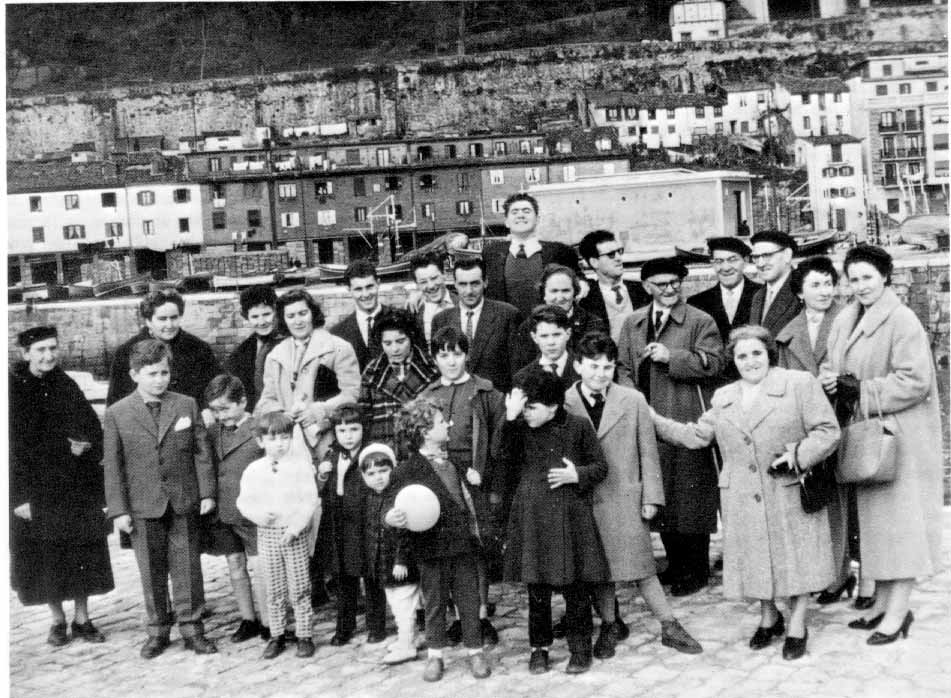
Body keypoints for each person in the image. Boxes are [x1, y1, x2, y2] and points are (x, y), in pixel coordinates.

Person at [652, 324, 840, 661]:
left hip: (787, 487)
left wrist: (798, 454)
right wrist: (652, 419)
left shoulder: (798, 384)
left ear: (769, 354)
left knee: (796, 560)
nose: (750, 361)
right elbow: (697, 435)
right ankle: (769, 617)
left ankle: (798, 624)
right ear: (733, 361)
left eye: (757, 353)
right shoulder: (724, 397)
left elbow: (828, 430)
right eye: (742, 356)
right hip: (742, 493)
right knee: (756, 559)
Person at [822, 244, 942, 645]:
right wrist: (831, 380)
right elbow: (834, 365)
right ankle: (883, 604)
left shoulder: (902, 319)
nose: (860, 286)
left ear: (885, 277)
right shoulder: (846, 317)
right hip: (867, 434)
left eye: (868, 277)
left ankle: (898, 612)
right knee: (878, 527)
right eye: (853, 278)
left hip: (900, 437)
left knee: (901, 526)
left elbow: (915, 381)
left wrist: (860, 389)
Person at [564, 331, 702, 659]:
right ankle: (610, 624)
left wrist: (651, 496)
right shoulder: (565, 402)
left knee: (642, 567)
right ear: (578, 365)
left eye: (607, 367)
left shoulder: (632, 400)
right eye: (593, 366)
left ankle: (669, 624)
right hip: (583, 498)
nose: (600, 374)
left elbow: (647, 450)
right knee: (599, 570)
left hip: (624, 496)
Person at [102, 339, 218, 658]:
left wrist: (207, 492)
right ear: (134, 375)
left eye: (164, 373)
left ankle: (192, 628)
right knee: (151, 571)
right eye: (151, 374)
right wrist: (119, 510)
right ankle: (157, 631)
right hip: (142, 504)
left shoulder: (185, 405)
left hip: (182, 500)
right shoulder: (117, 413)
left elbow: (201, 452)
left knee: (187, 568)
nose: (159, 380)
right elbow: (113, 465)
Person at [617, 257, 724, 597]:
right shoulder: (633, 323)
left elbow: (714, 363)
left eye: (675, 283)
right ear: (646, 287)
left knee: (690, 492)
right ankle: (676, 564)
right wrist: (632, 398)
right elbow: (621, 367)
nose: (669, 289)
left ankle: (696, 568)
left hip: (684, 414)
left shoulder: (700, 320)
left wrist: (672, 356)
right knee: (660, 489)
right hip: (646, 415)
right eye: (661, 284)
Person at [500, 372, 610, 675]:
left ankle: (580, 648)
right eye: (523, 407)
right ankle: (539, 649)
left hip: (569, 518)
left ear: (553, 407)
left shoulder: (578, 426)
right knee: (537, 588)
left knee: (575, 587)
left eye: (531, 408)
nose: (525, 413)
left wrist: (577, 475)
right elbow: (501, 457)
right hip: (533, 517)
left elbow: (601, 466)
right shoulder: (518, 427)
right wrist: (510, 419)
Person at [10, 325, 114, 647]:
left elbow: (91, 427)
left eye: (52, 348)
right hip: (36, 490)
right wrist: (18, 497)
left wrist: (86, 444)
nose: (48, 355)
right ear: (26, 353)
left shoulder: (66, 384)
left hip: (74, 485)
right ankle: (57, 620)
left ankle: (82, 618)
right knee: (45, 555)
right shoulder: (12, 389)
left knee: (81, 549)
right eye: (40, 350)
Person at [775, 257, 867, 607]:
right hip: (808, 428)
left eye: (829, 283)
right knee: (818, 500)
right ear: (799, 292)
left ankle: (847, 573)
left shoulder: (851, 320)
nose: (825, 291)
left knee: (846, 500)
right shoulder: (788, 334)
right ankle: (828, 572)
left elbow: (866, 367)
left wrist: (842, 380)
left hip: (845, 420)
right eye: (815, 284)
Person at [385, 398, 491, 682]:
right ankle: (436, 655)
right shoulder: (406, 470)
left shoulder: (456, 462)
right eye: (442, 422)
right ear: (425, 432)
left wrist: (473, 484)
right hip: (430, 549)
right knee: (434, 604)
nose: (449, 424)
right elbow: (391, 505)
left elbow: (466, 499)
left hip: (462, 546)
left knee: (469, 601)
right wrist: (390, 517)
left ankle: (475, 651)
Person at [420, 326, 505, 646]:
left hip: (474, 480)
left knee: (476, 548)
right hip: (441, 479)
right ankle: (459, 617)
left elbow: (499, 439)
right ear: (435, 359)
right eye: (444, 355)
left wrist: (484, 471)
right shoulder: (428, 396)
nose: (451, 361)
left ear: (467, 355)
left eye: (457, 354)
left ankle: (480, 616)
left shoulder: (484, 392)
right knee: (450, 548)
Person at [236, 411, 319, 659]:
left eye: (284, 438)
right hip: (268, 534)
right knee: (273, 587)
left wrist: (295, 528)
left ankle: (304, 635)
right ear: (261, 441)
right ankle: (277, 635)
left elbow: (309, 500)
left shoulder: (300, 467)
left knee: (300, 586)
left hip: (294, 534)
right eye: (272, 439)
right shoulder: (254, 470)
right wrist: (260, 515)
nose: (279, 444)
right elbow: (244, 502)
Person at [256, 288, 361, 457]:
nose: (298, 321)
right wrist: (283, 415)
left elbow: (351, 394)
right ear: (283, 319)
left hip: (328, 438)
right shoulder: (275, 356)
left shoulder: (338, 347)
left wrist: (320, 410)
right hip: (289, 443)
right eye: (291, 316)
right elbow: (267, 400)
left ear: (313, 313)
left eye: (302, 313)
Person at [203, 374, 268, 643]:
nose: (221, 416)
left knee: (260, 567)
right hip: (224, 511)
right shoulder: (212, 431)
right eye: (215, 410)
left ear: (243, 402)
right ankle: (248, 618)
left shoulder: (260, 429)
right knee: (235, 564)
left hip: (252, 512)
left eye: (225, 409)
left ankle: (269, 621)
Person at [315, 403, 385, 646]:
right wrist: (322, 475)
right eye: (342, 431)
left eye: (354, 429)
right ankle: (345, 626)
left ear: (364, 429)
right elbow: (321, 490)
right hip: (340, 524)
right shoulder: (332, 454)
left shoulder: (371, 454)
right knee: (343, 576)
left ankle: (376, 625)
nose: (348, 436)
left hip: (366, 521)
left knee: (371, 575)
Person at [359, 443, 423, 665]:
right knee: (396, 604)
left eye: (383, 471)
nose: (378, 477)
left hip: (400, 565)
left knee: (404, 605)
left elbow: (405, 532)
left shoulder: (398, 496)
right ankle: (411, 637)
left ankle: (406, 645)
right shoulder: (371, 498)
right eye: (371, 473)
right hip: (383, 565)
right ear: (364, 477)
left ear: (393, 470)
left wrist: (401, 560)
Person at [106, 289, 221, 406]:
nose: (169, 325)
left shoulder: (199, 349)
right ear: (148, 321)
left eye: (174, 318)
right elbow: (115, 401)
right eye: (162, 319)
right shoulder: (126, 352)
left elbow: (217, 391)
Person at [481, 192, 583, 318]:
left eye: (526, 211)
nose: (520, 215)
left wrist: (583, 284)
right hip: (506, 326)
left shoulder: (560, 251)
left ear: (537, 219)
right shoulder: (491, 253)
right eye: (514, 212)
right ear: (506, 221)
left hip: (548, 325)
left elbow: (579, 280)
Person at [431, 257, 521, 394]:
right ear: (454, 284)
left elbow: (517, 370)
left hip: (495, 400)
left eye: (475, 284)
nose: (469, 291)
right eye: (463, 284)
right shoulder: (441, 320)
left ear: (485, 282)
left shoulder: (507, 315)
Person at [359, 306, 440, 447]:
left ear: (411, 338)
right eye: (387, 343)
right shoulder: (372, 372)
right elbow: (364, 417)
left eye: (401, 341)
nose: (395, 349)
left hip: (422, 446)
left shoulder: (432, 368)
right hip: (384, 448)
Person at [512, 264, 606, 370]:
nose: (560, 298)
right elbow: (521, 370)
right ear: (544, 294)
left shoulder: (593, 324)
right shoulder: (528, 327)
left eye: (566, 291)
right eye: (554, 291)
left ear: (575, 293)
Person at [577, 229, 651, 342]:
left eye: (619, 251)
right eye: (611, 255)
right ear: (594, 262)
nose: (618, 258)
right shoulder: (586, 300)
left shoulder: (642, 289)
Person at [688, 237, 762, 346]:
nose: (726, 268)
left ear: (745, 261)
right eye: (719, 261)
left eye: (732, 260)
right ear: (712, 264)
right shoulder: (696, 303)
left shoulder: (763, 295)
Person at [226, 285, 283, 411]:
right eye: (255, 317)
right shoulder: (241, 353)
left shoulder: (291, 341)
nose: (262, 322)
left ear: (276, 311)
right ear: (246, 317)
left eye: (266, 314)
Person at [330, 259, 385, 371]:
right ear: (349, 290)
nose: (365, 294)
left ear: (378, 284)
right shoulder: (337, 333)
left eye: (369, 287)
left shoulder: (400, 319)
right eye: (358, 289)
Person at [513, 305, 580, 390]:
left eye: (556, 335)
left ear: (568, 333)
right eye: (544, 336)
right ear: (534, 337)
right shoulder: (522, 378)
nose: (551, 342)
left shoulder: (585, 369)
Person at [747, 230, 801, 337]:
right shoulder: (758, 296)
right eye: (756, 257)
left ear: (787, 255)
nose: (760, 264)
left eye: (767, 255)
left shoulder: (802, 292)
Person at [408, 253, 457, 343]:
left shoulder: (461, 303)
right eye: (423, 282)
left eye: (434, 278)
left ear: (444, 274)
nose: (431, 286)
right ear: (417, 284)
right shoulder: (414, 309)